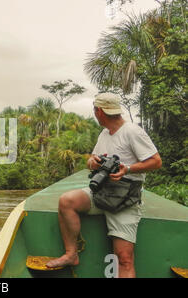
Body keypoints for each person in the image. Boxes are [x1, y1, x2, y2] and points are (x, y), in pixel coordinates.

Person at [46, 92, 162, 278]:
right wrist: (93, 163)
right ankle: (71, 254)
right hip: (101, 191)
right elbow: (92, 158)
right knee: (67, 201)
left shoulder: (132, 131)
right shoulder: (105, 133)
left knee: (124, 258)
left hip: (125, 199)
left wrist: (128, 169)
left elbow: (156, 162)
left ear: (99, 111)